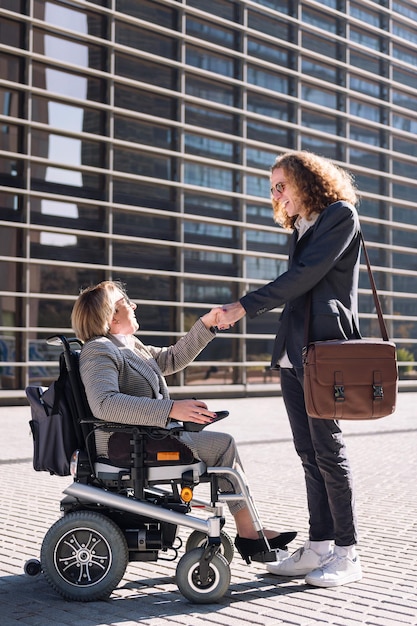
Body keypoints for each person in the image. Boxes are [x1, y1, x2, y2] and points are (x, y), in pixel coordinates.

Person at [70, 280, 296, 564]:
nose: (134, 305)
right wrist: (172, 409)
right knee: (223, 446)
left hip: (144, 437)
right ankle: (249, 533)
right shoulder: (98, 350)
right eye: (127, 302)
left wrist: (206, 324)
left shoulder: (128, 346)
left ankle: (248, 531)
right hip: (125, 445)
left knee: (222, 445)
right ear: (112, 315)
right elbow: (104, 404)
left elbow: (171, 359)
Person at [217, 151, 363, 587]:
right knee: (307, 452)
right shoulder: (302, 227)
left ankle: (348, 552)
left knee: (328, 450)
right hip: (292, 353)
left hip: (322, 351)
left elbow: (304, 278)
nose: (276, 195)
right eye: (273, 187)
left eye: (282, 185)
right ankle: (319, 544)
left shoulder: (339, 216)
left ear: (308, 181)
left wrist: (243, 305)